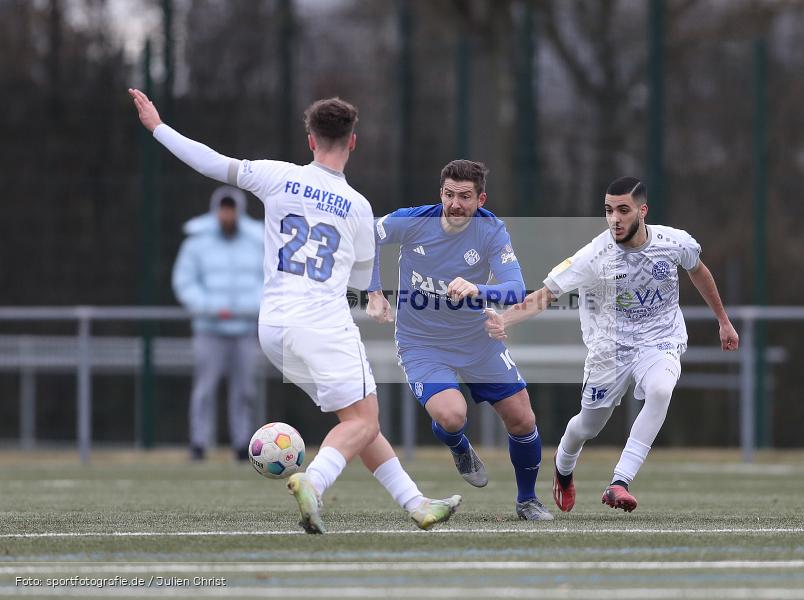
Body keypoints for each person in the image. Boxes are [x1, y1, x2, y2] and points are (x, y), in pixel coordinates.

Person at [129, 88, 461, 533]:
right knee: (363, 420)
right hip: (322, 323)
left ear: (310, 140)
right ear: (353, 141)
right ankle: (315, 483)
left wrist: (158, 127)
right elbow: (363, 281)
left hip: (273, 328)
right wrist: (378, 298)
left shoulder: (277, 176)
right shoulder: (359, 207)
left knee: (356, 422)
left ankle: (416, 504)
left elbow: (209, 161)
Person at [486, 176, 739, 513]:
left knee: (662, 389)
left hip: (660, 340)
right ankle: (563, 468)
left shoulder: (673, 242)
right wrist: (504, 320)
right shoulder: (594, 254)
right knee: (587, 426)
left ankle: (619, 482)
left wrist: (723, 320)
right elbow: (546, 295)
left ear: (642, 211)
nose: (615, 219)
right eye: (608, 211)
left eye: (623, 210)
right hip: (610, 350)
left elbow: (698, 270)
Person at [366, 160, 553, 521]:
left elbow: (515, 288)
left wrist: (478, 289)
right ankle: (459, 446)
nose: (455, 204)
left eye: (465, 197)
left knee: (523, 420)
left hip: (477, 339)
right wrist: (374, 291)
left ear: (480, 198)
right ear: (441, 193)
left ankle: (527, 500)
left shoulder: (491, 231)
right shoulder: (413, 220)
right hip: (421, 343)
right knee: (452, 416)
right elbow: (367, 236)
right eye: (449, 194)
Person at [172, 185, 264, 462]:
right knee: (204, 390)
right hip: (209, 329)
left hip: (246, 328)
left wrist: (247, 308)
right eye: (222, 208)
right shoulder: (196, 242)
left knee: (245, 390)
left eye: (231, 208)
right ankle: (199, 443)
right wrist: (211, 308)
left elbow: (269, 280)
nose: (227, 214)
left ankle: (242, 444)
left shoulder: (257, 240)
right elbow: (184, 281)